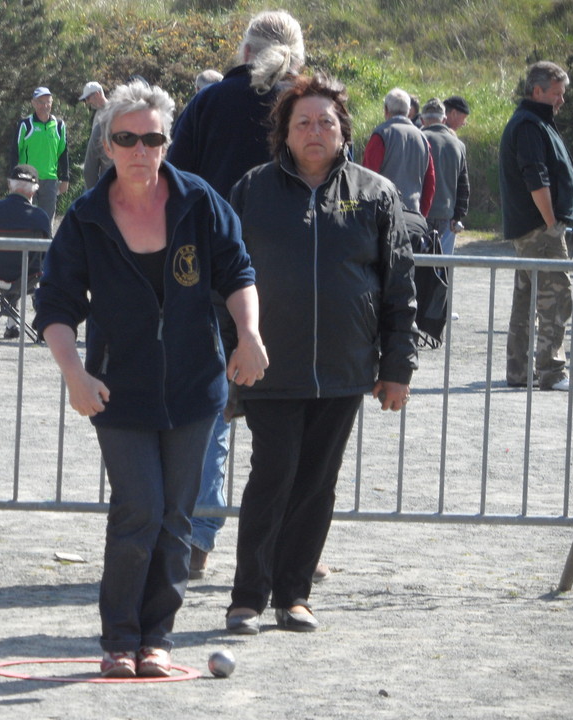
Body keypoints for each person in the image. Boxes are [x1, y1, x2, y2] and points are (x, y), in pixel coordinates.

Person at [34, 81, 269, 678]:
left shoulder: (200, 201)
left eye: (153, 138)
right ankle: (119, 638)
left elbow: (239, 272)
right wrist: (75, 375)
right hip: (119, 389)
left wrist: (249, 335)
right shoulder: (86, 218)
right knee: (139, 508)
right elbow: (56, 306)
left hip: (196, 386)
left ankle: (157, 638)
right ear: (107, 146)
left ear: (167, 143)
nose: (140, 149)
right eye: (126, 138)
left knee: (178, 517)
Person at [225, 73, 417, 635]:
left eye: (325, 122)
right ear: (284, 133)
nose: (315, 131)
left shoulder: (376, 193)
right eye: (303, 122)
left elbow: (398, 287)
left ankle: (295, 596)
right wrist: (234, 345)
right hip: (269, 366)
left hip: (343, 370)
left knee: (316, 484)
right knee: (273, 475)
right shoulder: (251, 190)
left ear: (343, 132)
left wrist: (396, 368)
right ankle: (246, 598)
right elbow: (225, 279)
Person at [166, 9, 305, 580]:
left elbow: (173, 184)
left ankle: (196, 540)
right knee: (293, 420)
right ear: (298, 53)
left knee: (213, 413)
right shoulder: (312, 106)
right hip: (293, 277)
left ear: (244, 50)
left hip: (210, 272)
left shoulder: (207, 103)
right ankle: (295, 543)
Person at [501, 61, 573, 391]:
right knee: (557, 296)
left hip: (531, 228)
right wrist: (551, 224)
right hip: (541, 229)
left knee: (526, 299)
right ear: (538, 91)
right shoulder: (531, 125)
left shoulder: (530, 122)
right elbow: (537, 177)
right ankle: (551, 371)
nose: (561, 100)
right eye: (557, 94)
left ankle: (519, 372)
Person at [0, 164, 51, 339]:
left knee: (7, 261)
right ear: (34, 191)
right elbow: (45, 256)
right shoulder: (40, 217)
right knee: (31, 265)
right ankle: (42, 320)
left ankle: (11, 324)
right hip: (27, 278)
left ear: (9, 185)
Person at [362, 87, 435, 216]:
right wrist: (422, 215)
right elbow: (430, 181)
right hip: (413, 213)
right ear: (408, 111)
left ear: (386, 110)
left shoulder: (381, 135)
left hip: (384, 214)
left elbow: (368, 177)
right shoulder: (423, 138)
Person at [10, 87, 69, 224]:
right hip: (27, 179)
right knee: (26, 220)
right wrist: (13, 178)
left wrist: (65, 178)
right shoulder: (25, 124)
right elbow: (14, 151)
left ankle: (47, 245)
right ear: (33, 103)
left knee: (46, 222)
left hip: (50, 180)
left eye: (48, 102)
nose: (45, 106)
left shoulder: (59, 125)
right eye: (41, 102)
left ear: (52, 103)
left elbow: (63, 152)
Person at [421, 97, 469, 254]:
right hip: (447, 216)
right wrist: (458, 215)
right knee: (443, 268)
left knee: (419, 267)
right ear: (443, 119)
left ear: (422, 119)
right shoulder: (459, 145)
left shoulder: (417, 139)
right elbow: (463, 185)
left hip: (420, 213)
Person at [80, 81, 112, 189]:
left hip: (106, 168)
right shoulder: (98, 113)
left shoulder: (112, 112)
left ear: (98, 94)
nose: (88, 102)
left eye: (88, 98)